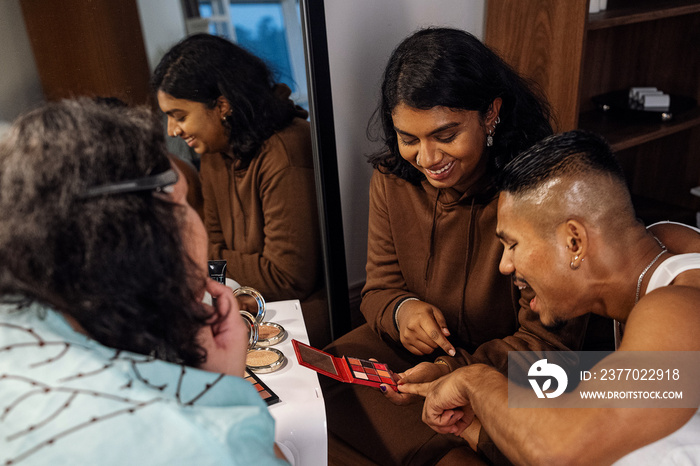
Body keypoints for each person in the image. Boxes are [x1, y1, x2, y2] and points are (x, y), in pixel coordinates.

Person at [322, 27, 595, 465]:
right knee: (314, 396)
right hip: (420, 360)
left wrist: (456, 371)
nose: (427, 159)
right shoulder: (393, 179)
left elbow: (550, 346)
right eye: (408, 139)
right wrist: (400, 311)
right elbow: (378, 291)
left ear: (491, 114)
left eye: (445, 135)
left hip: (513, 371)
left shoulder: (541, 194)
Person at [0, 98, 288, 465]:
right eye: (185, 203)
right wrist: (225, 386)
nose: (174, 129)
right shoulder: (204, 444)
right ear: (147, 236)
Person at [399, 130, 700, 465]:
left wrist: (476, 382)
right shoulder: (661, 244)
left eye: (512, 244)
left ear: (574, 242)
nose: (505, 265)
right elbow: (631, 385)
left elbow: (558, 452)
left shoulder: (677, 309)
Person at [150, 33, 329, 347]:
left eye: (180, 116)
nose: (172, 131)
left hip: (303, 316)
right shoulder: (214, 156)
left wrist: (207, 257)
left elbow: (287, 278)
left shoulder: (285, 152)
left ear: (222, 105)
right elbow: (213, 249)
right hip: (252, 303)